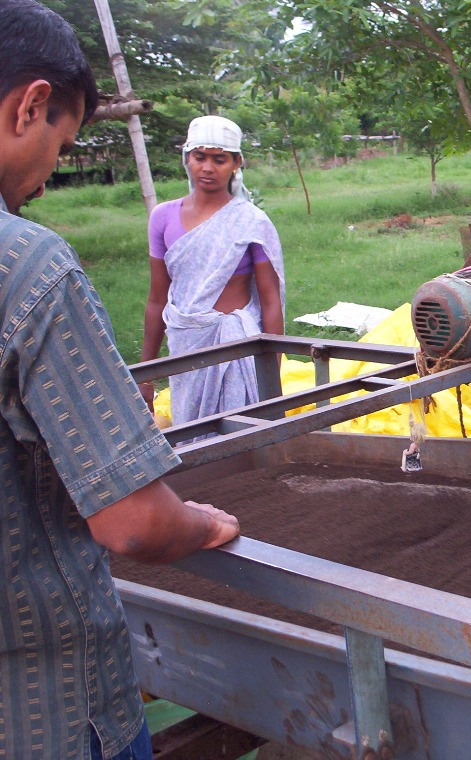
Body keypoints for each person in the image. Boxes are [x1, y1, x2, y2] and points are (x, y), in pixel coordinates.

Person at [0, 3, 241, 758]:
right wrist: (201, 521)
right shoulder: (28, 267)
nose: (46, 176)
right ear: (29, 106)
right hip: (47, 707)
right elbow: (133, 521)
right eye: (61, 144)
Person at [141, 115, 284, 424]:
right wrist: (146, 376)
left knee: (243, 435)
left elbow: (271, 301)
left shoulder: (251, 221)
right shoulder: (163, 217)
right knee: (190, 431)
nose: (207, 168)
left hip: (236, 347)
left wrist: (273, 372)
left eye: (219, 160)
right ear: (187, 159)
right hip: (186, 346)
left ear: (236, 163)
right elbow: (157, 299)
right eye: (199, 157)